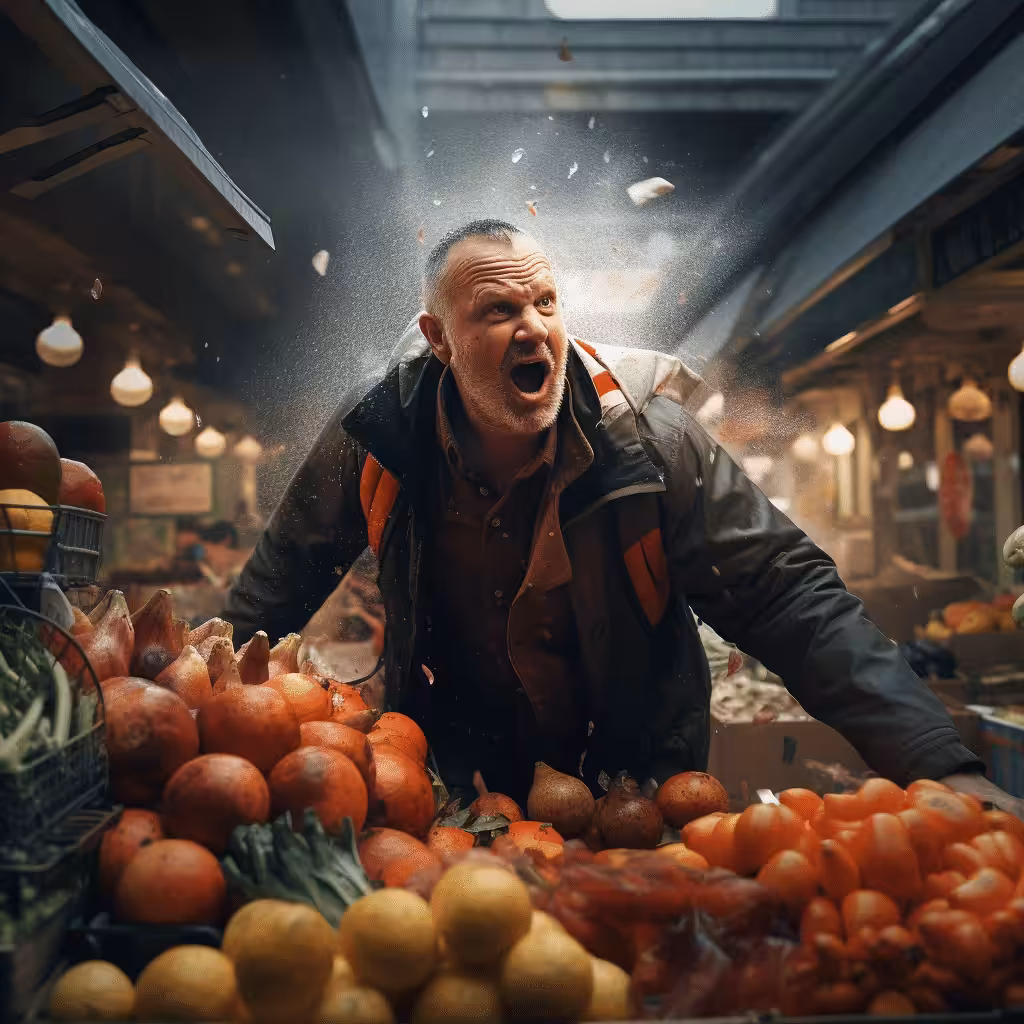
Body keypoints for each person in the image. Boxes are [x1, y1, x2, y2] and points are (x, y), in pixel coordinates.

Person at [224, 220, 1020, 814]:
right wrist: (199, 719)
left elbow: (787, 597)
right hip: (452, 799)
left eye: (544, 301)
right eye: (497, 309)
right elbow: (274, 589)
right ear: (439, 340)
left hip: (635, 795)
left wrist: (937, 761)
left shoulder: (649, 439)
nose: (533, 326)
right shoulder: (376, 439)